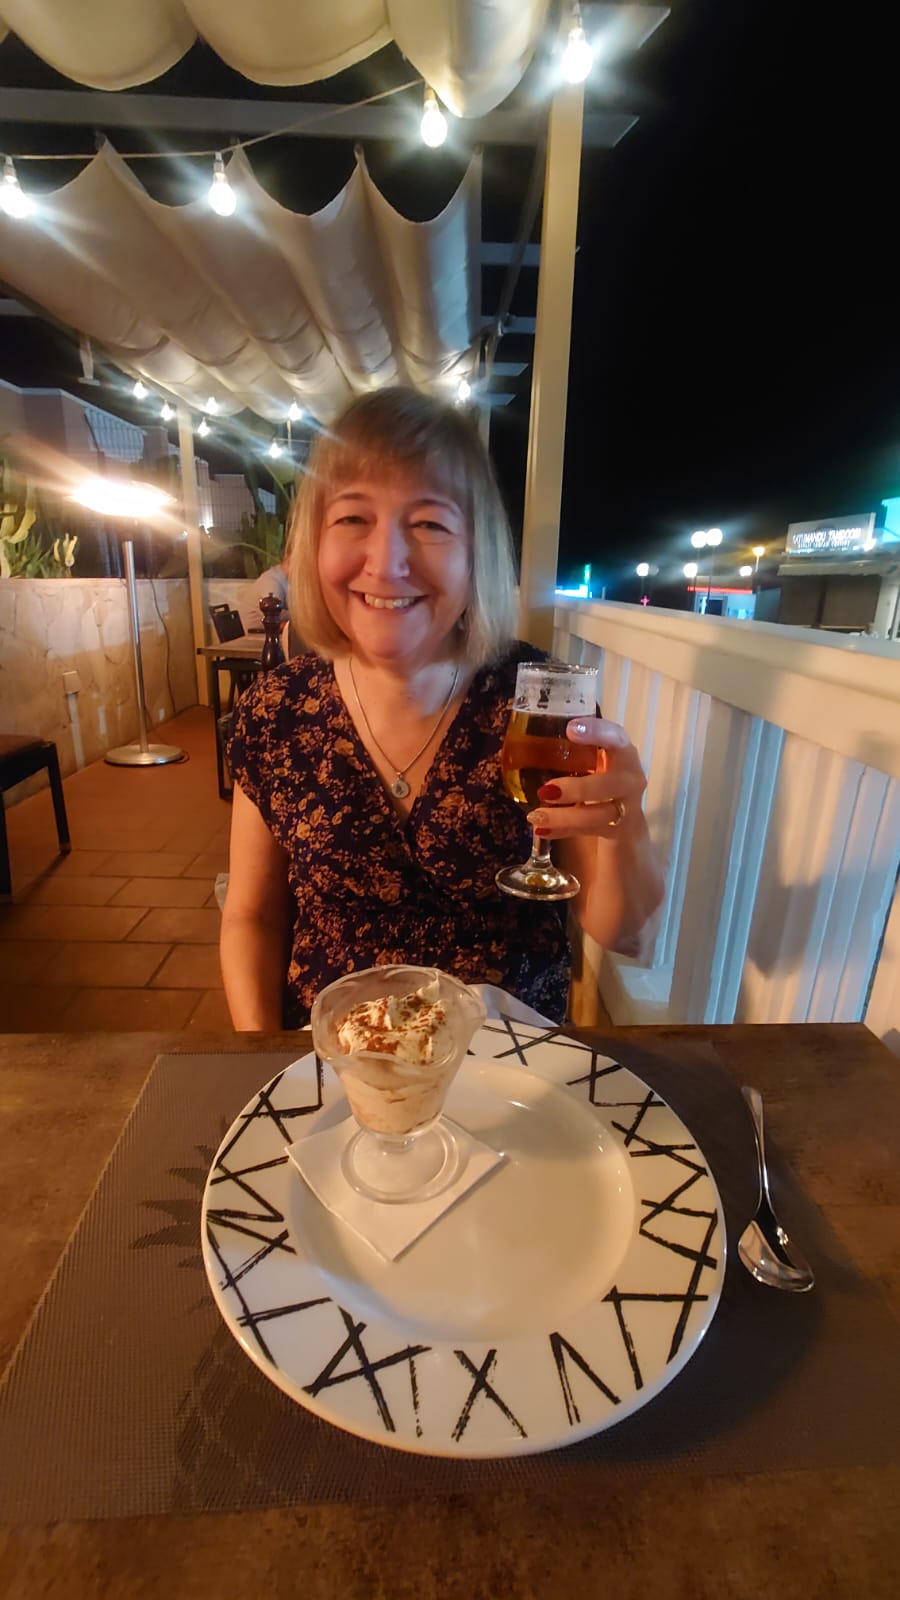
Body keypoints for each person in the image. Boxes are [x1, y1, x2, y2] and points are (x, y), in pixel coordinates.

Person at [221, 387, 664, 1031]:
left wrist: (626, 823)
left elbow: (626, 937)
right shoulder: (275, 712)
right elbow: (252, 915)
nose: (387, 562)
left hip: (508, 1066)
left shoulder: (537, 699)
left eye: (429, 524)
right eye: (353, 519)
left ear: (475, 552)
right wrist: (255, 1062)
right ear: (315, 543)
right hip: (333, 1067)